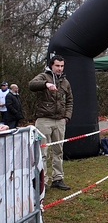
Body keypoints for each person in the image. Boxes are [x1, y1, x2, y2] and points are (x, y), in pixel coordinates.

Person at [29, 55, 73, 191]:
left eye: (62, 66)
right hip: (44, 120)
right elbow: (31, 85)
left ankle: (58, 178)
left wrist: (66, 117)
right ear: (51, 65)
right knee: (42, 152)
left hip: (60, 121)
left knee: (58, 151)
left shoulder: (65, 82)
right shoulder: (43, 76)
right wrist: (46, 85)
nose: (60, 68)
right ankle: (43, 181)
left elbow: (70, 101)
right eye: (57, 66)